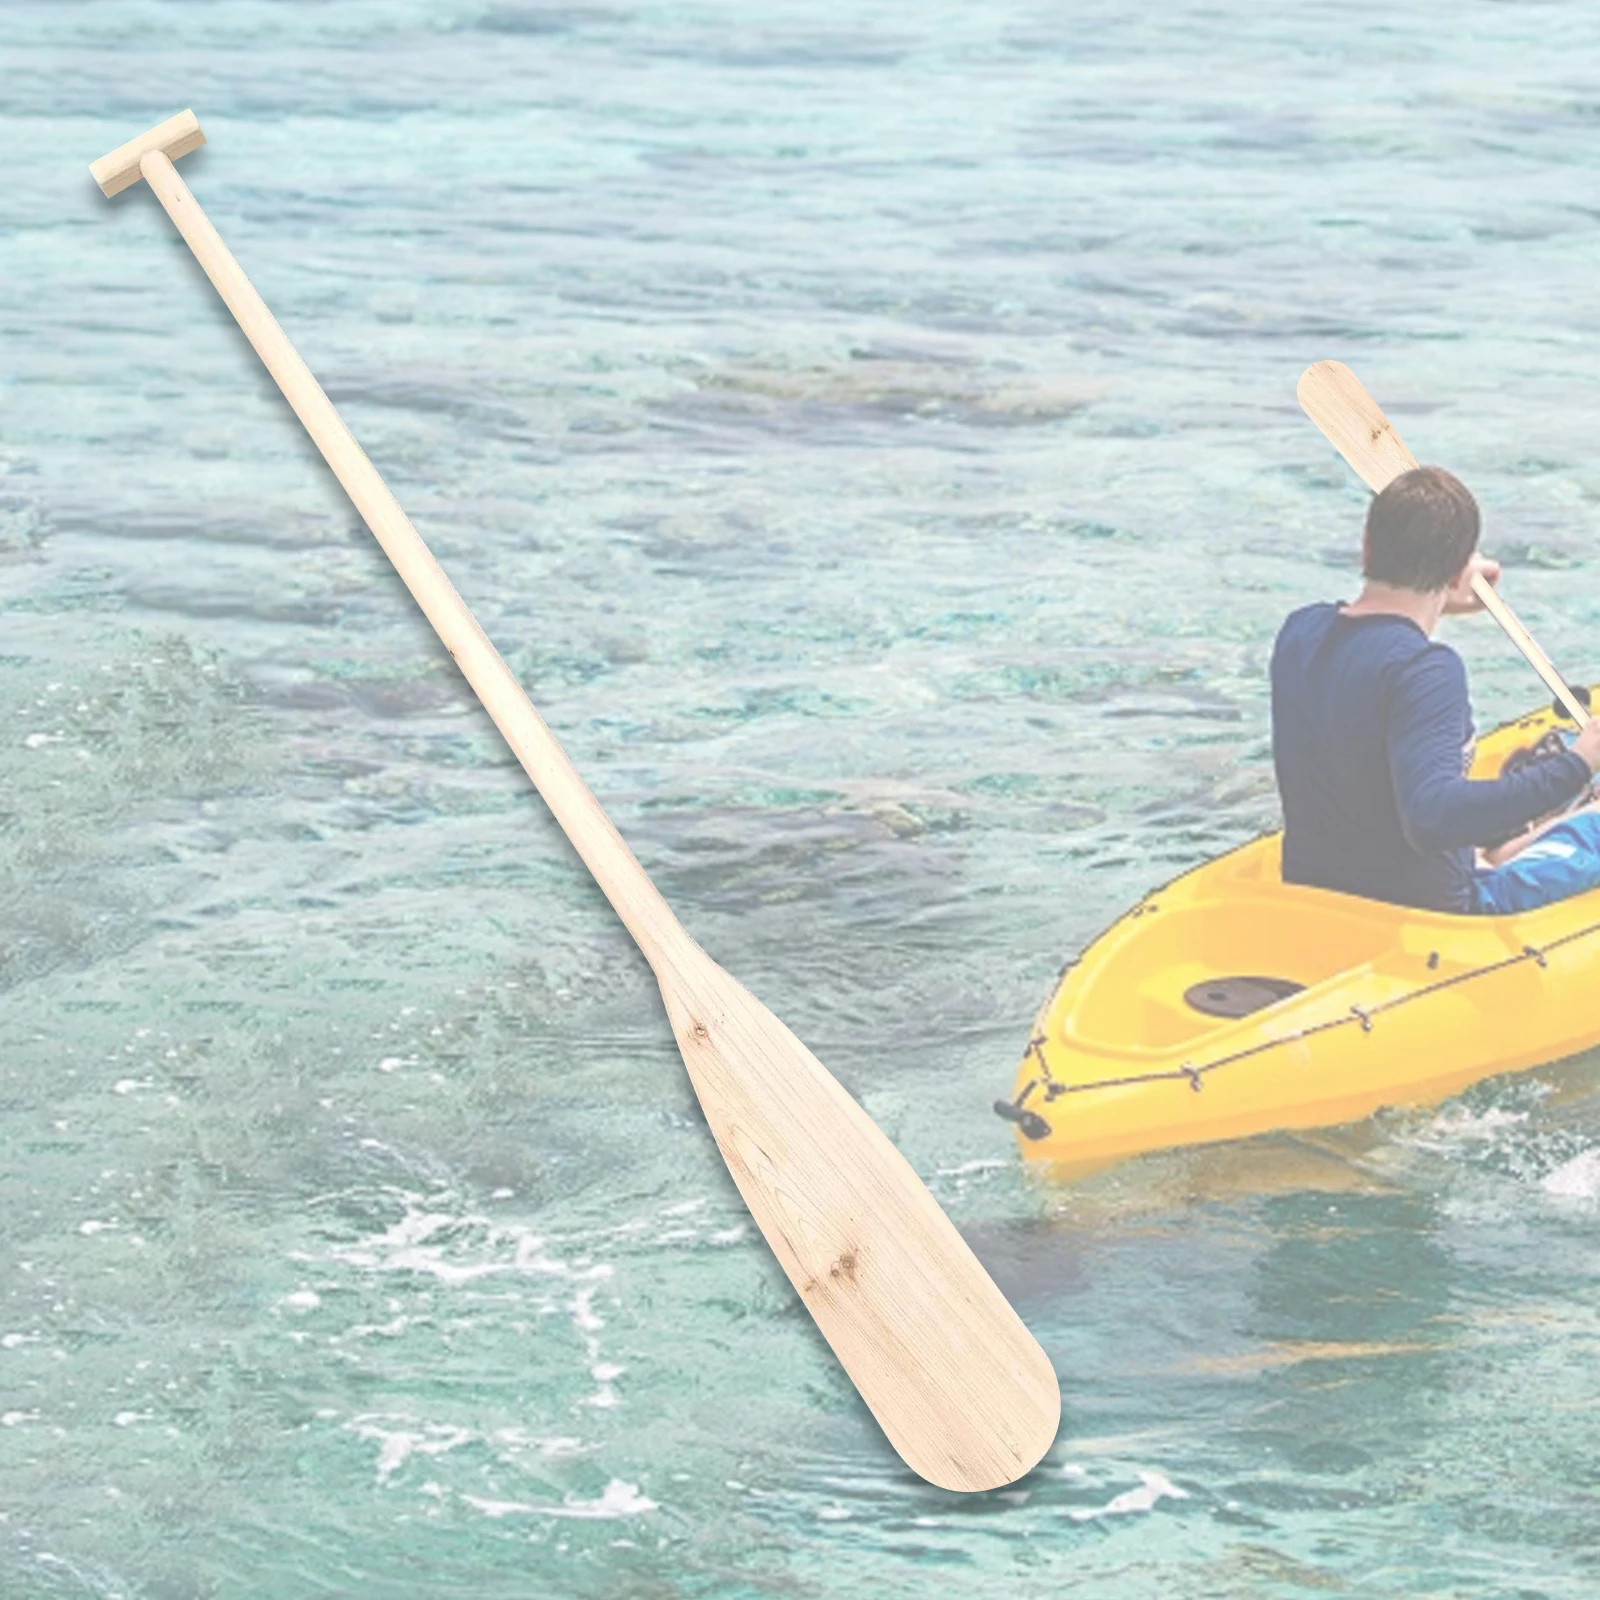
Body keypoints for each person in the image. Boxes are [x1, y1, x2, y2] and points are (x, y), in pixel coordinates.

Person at [1270, 464, 1600, 916]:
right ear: (1455, 573)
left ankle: (1517, 839)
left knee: (1495, 842)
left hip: (1322, 895)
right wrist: (1580, 763)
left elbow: (1374, 650)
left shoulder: (1300, 632)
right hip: (1440, 910)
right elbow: (1433, 820)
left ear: (1367, 547)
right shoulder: (1426, 670)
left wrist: (1440, 596)